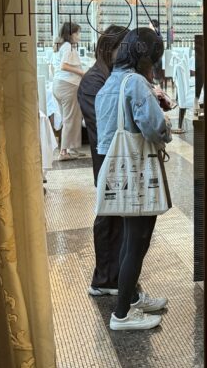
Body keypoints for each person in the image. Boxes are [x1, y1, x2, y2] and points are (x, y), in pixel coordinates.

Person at [95, 27, 172, 331]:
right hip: (138, 170)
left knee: (130, 239)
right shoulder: (136, 83)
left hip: (117, 170)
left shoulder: (110, 81)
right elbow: (154, 128)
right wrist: (165, 123)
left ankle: (132, 298)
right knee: (137, 242)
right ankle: (123, 313)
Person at [77, 24, 128, 297]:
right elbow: (103, 125)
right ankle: (104, 280)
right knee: (109, 217)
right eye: (123, 47)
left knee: (120, 218)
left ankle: (119, 278)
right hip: (107, 158)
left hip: (119, 156)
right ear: (110, 48)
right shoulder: (93, 81)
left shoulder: (109, 76)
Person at [52, 21, 87, 160]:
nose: (79, 36)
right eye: (77, 33)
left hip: (59, 85)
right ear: (70, 34)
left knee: (68, 118)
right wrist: (82, 73)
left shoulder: (60, 46)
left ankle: (71, 149)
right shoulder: (67, 46)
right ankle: (64, 152)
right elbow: (64, 66)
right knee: (70, 119)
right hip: (68, 85)